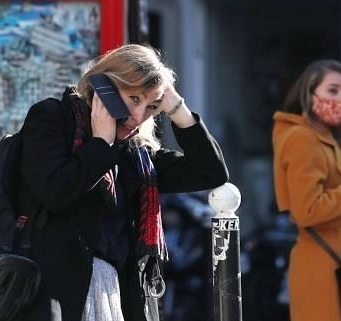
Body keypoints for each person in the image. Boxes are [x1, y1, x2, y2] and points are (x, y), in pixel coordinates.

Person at [16, 44, 229, 321]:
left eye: (152, 106)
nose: (139, 117)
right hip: (55, 298)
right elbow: (55, 191)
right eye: (134, 98)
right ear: (105, 88)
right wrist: (100, 144)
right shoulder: (53, 119)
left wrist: (176, 107)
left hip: (118, 299)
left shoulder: (136, 154)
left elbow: (210, 172)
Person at [272, 59, 341, 321]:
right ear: (309, 94)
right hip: (322, 263)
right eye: (332, 91)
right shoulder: (303, 138)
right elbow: (307, 211)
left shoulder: (324, 137)